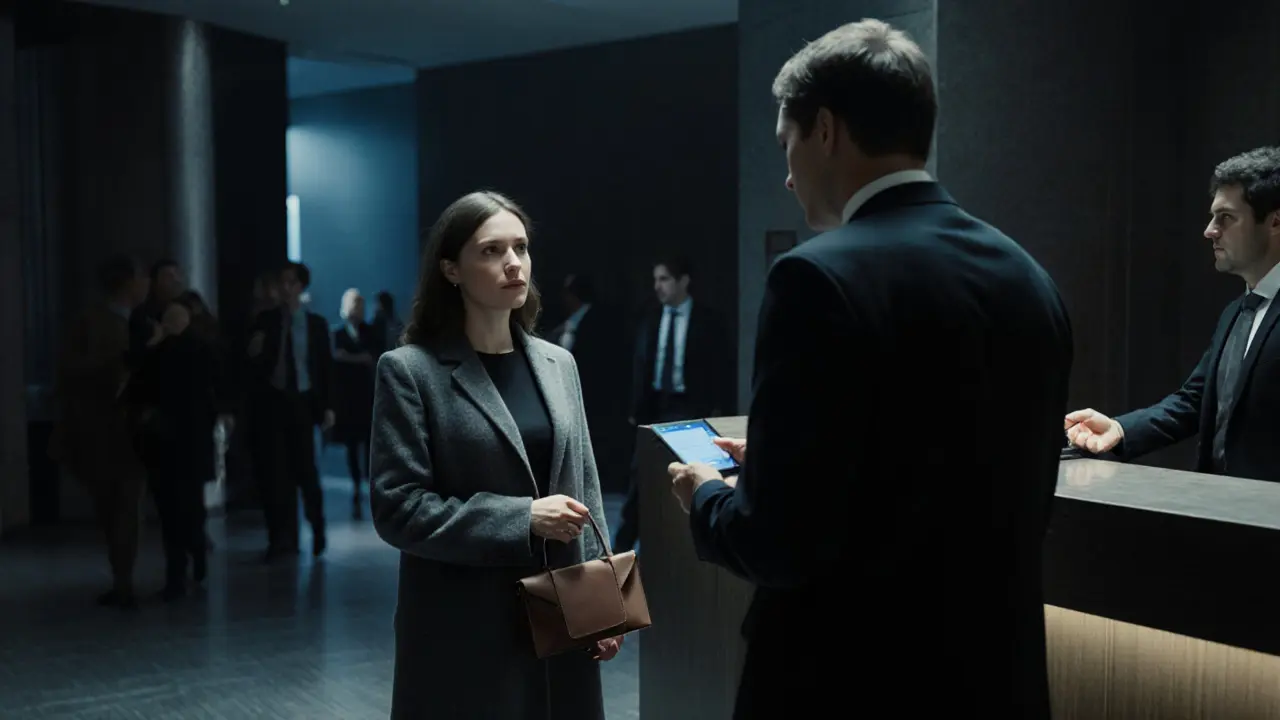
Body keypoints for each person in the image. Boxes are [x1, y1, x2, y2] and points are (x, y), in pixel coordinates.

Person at [667, 19, 1073, 719]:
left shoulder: (815, 278)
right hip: (993, 678)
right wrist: (777, 461)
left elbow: (780, 542)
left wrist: (706, 494)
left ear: (824, 128)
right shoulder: (1028, 275)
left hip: (847, 680)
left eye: (786, 144)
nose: (788, 175)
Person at [369, 191, 621, 720]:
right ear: (450, 269)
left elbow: (586, 486)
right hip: (465, 627)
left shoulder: (558, 364)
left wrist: (604, 608)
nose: (513, 263)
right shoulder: (410, 371)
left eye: (521, 248)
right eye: (490, 251)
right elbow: (398, 508)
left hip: (559, 618)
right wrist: (522, 518)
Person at [1065, 147, 1280, 480]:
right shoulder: (1237, 313)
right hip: (1222, 517)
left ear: (1275, 221)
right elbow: (1194, 401)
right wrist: (1120, 430)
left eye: (1226, 217)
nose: (1210, 230)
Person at [51, 254, 150, 608]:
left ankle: (122, 576)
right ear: (128, 283)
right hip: (110, 432)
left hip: (113, 432)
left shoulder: (128, 322)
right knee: (120, 507)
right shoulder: (101, 325)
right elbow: (76, 374)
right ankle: (123, 579)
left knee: (118, 507)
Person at [247, 262, 335, 560]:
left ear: (300, 286)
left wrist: (328, 407)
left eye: (290, 282)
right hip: (273, 401)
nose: (285, 288)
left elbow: (324, 368)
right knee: (275, 474)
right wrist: (252, 352)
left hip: (302, 400)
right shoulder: (266, 320)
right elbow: (251, 363)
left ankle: (318, 527)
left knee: (305, 470)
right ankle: (279, 539)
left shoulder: (316, 324)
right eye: (281, 282)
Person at [332, 288, 378, 518]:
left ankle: (370, 483)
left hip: (367, 396)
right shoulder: (337, 333)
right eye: (353, 305)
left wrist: (348, 358)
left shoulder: (370, 332)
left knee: (369, 444)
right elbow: (336, 362)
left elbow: (372, 358)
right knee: (352, 444)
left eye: (359, 305)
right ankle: (356, 485)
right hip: (348, 399)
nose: (356, 310)